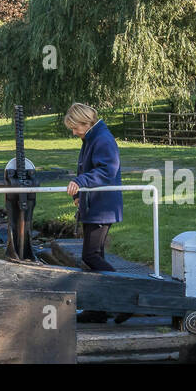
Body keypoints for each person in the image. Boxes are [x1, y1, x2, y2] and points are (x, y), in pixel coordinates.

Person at [64, 102, 121, 273]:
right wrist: (78, 195)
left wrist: (80, 182)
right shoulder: (91, 138)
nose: (74, 133)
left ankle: (121, 284)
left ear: (86, 123)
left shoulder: (103, 139)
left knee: (91, 256)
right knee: (96, 256)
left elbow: (107, 170)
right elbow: (85, 168)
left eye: (75, 128)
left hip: (102, 206)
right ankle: (104, 287)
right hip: (94, 205)